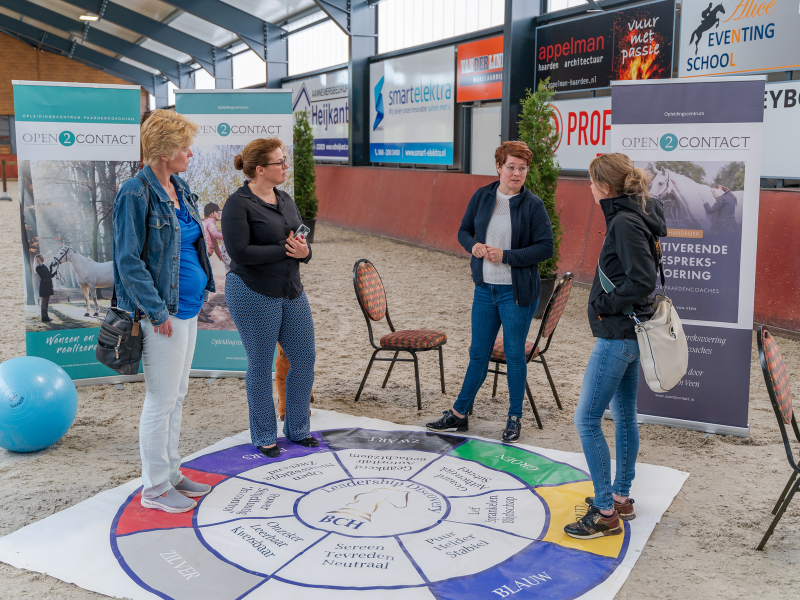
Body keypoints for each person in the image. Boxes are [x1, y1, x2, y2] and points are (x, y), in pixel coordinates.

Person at [113, 109, 215, 514]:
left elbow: (190, 244)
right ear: (162, 150)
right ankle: (154, 488)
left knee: (177, 393)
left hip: (187, 309)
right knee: (160, 398)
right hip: (162, 314)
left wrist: (202, 290)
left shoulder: (180, 185)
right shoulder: (134, 193)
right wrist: (156, 312)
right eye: (183, 146)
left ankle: (171, 472)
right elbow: (127, 261)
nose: (190, 152)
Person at [564, 153, 666, 540]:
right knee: (624, 416)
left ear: (604, 187)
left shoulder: (623, 221)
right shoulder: (636, 214)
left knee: (587, 419)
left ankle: (605, 511)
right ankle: (621, 498)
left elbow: (640, 281)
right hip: (631, 333)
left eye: (591, 182)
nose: (588, 188)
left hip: (618, 335)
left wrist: (604, 305)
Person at [426, 141, 554, 443]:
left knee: (513, 354)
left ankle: (514, 418)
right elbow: (463, 230)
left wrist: (506, 256)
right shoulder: (482, 197)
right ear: (499, 167)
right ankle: (459, 414)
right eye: (511, 167)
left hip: (517, 293)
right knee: (478, 353)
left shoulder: (533, 205)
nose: (517, 173)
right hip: (485, 290)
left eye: (522, 168)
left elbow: (546, 248)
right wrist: (473, 246)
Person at [221, 138, 316, 458]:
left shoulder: (286, 198)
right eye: (281, 162)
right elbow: (240, 252)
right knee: (261, 366)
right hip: (251, 291)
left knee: (304, 359)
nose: (286, 167)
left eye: (285, 160)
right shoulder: (237, 204)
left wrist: (305, 251)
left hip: (291, 288)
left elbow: (301, 234)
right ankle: (264, 435)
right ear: (260, 170)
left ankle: (298, 428)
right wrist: (284, 250)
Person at [35, 255, 54, 323]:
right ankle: (44, 317)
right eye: (41, 257)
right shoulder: (38, 267)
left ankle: (46, 316)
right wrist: (50, 270)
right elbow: (44, 276)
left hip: (47, 285)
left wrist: (53, 274)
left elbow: (48, 275)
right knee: (44, 302)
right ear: (39, 259)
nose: (43, 258)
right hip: (44, 286)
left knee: (46, 302)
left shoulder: (43, 266)